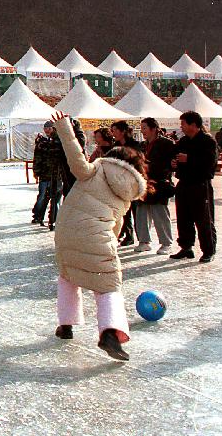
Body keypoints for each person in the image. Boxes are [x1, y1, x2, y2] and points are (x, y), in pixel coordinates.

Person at [49, 111, 148, 361]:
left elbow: (76, 160)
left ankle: (66, 326)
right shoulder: (127, 193)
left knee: (67, 276)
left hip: (67, 231)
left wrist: (64, 127)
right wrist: (109, 246)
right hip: (98, 237)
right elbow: (116, 227)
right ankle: (110, 334)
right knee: (108, 286)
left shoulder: (97, 169)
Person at [170, 111, 218, 263]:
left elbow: (210, 164)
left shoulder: (207, 141)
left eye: (183, 123)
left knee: (203, 219)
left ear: (193, 125)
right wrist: (174, 164)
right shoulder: (183, 141)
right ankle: (186, 247)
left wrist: (189, 159)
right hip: (184, 183)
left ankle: (208, 250)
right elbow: (175, 156)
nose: (181, 127)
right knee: (183, 217)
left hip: (200, 184)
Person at [133, 118, 176, 254]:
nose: (143, 131)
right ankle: (144, 241)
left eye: (145, 128)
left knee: (160, 213)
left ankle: (166, 243)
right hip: (144, 183)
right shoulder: (142, 145)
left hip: (159, 183)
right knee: (142, 213)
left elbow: (171, 163)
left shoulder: (166, 143)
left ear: (154, 128)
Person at [110, 120, 140, 247]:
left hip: (133, 180)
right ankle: (128, 234)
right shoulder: (115, 145)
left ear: (123, 131)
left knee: (136, 210)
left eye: (115, 130)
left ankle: (142, 238)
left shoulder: (134, 145)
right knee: (124, 211)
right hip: (120, 182)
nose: (113, 133)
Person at [31, 122, 61, 226]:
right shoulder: (42, 141)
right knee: (42, 196)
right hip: (45, 174)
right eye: (45, 128)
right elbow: (37, 157)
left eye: (49, 128)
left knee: (55, 199)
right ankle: (38, 216)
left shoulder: (59, 140)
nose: (47, 130)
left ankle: (53, 218)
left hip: (57, 175)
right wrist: (36, 171)